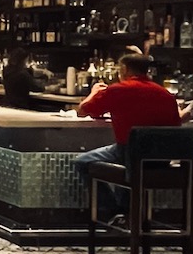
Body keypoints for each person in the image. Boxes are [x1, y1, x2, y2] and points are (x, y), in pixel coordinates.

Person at [74, 54, 182, 214]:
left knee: (83, 162)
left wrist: (94, 92)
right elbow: (176, 125)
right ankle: (128, 216)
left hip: (129, 155)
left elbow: (83, 111)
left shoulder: (118, 90)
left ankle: (110, 212)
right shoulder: (165, 94)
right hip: (161, 161)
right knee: (127, 162)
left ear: (124, 69)